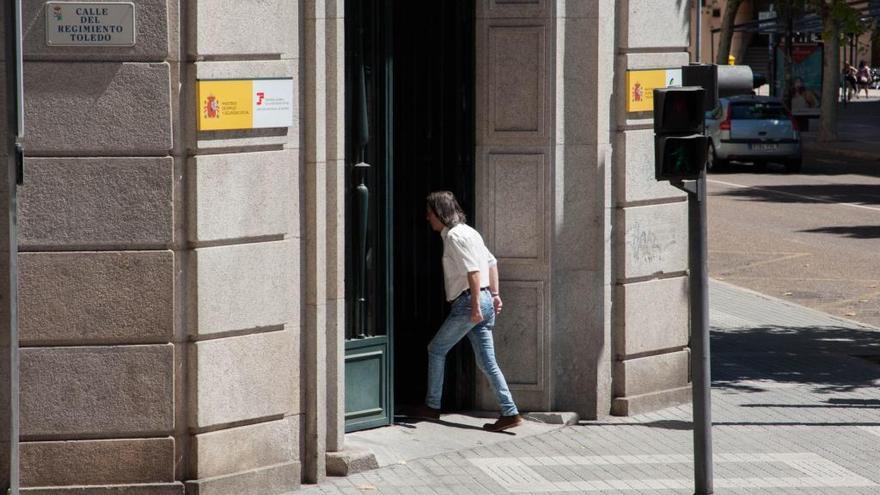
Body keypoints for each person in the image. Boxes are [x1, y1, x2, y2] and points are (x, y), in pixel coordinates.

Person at [409, 190, 523, 432]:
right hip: (483, 299)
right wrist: (494, 295)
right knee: (487, 362)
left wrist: (474, 307)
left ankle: (432, 406)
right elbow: (491, 262)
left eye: (430, 213)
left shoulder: (453, 236)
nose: (427, 217)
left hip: (468, 301)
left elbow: (473, 271)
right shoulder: (470, 232)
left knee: (436, 350)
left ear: (440, 213)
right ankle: (510, 411)